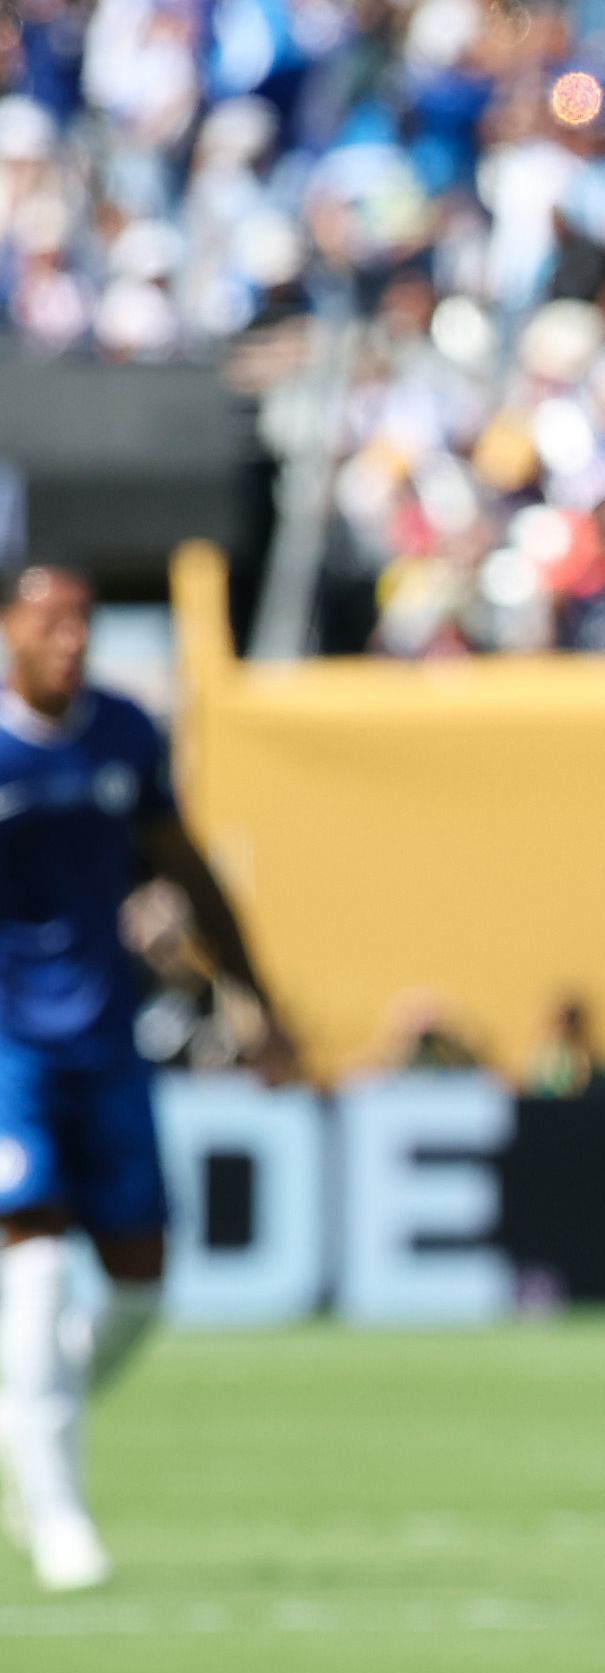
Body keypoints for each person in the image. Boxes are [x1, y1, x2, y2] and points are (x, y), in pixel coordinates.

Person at [0, 564, 293, 1594]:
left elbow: (186, 868)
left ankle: (26, 1414)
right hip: (9, 1055)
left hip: (109, 1045)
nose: (70, 640)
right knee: (30, 1265)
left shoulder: (123, 733)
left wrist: (259, 998)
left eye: (81, 622)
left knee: (139, 1290)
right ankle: (59, 1520)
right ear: (10, 633)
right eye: (49, 624)